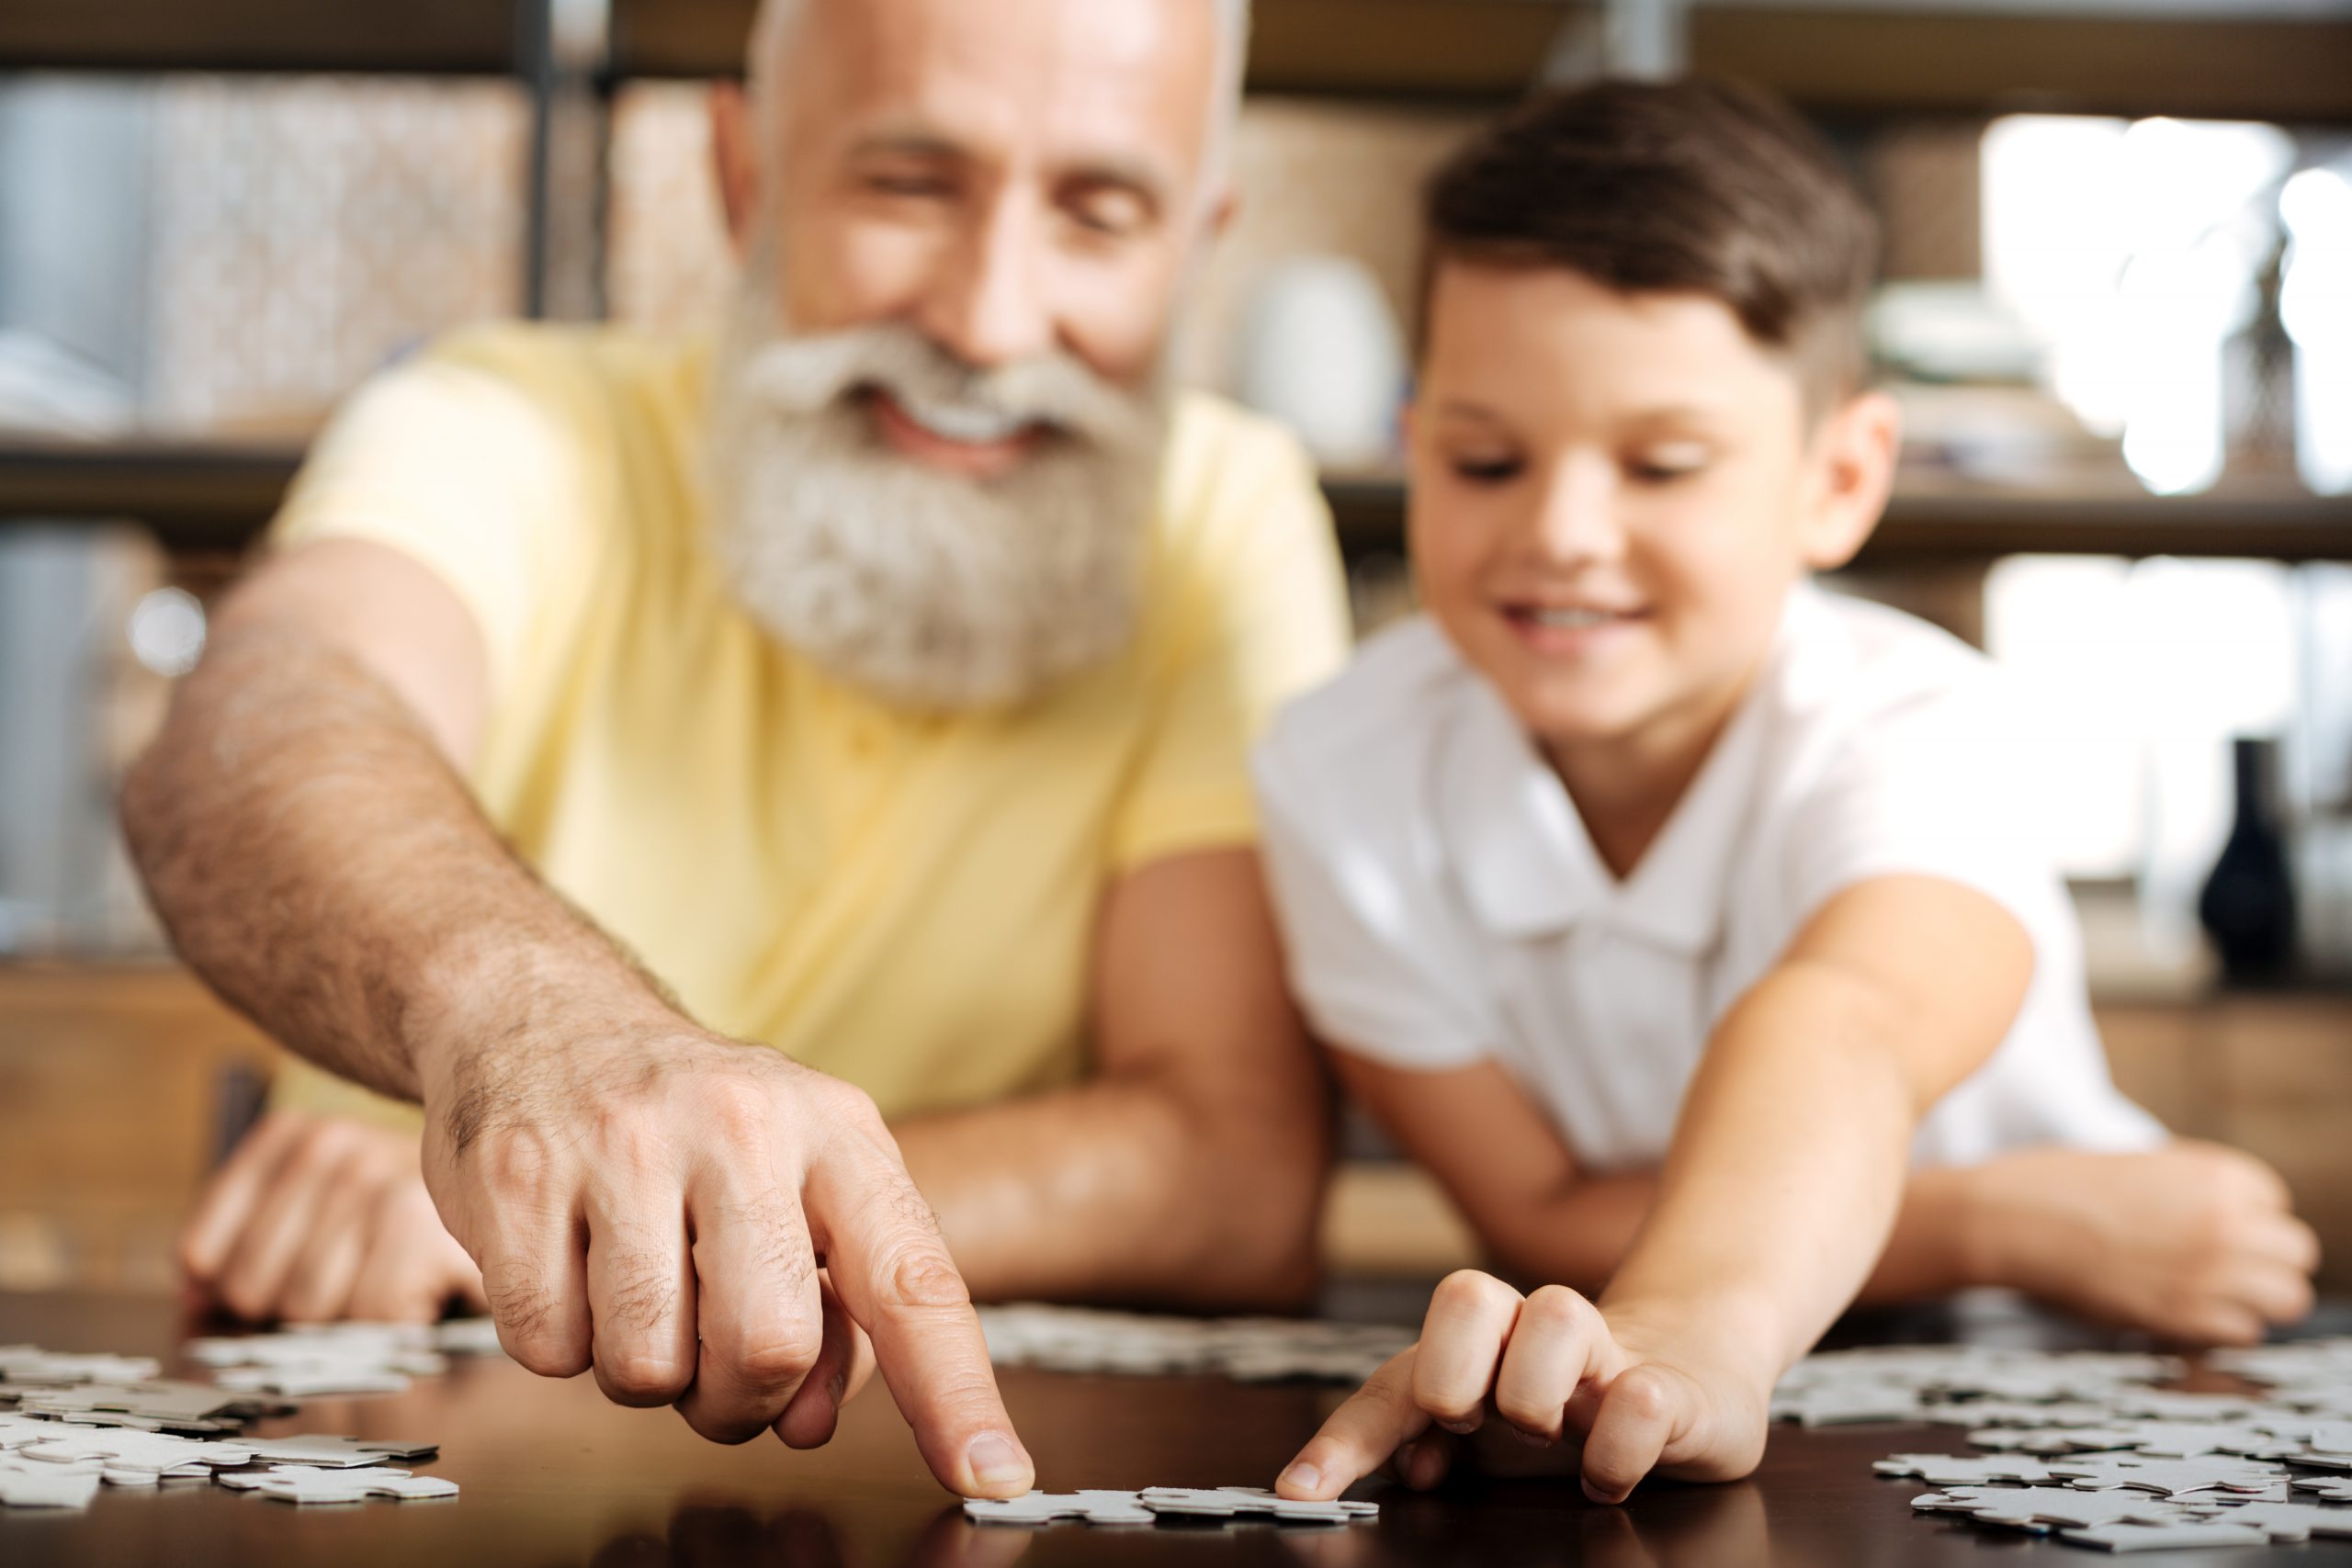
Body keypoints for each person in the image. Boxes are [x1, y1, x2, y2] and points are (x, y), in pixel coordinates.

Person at [121, 0, 1351, 1499]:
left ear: (1199, 237)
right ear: (743, 166)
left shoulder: (1229, 513)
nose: (990, 319)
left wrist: (657, 1210)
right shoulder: (500, 419)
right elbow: (259, 712)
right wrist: (537, 1038)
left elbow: (1227, 1169)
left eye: (1101, 214)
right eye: (909, 185)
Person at [1254, 79, 2319, 1507]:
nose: (1562, 534)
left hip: (2079, 1372)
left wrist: (1696, 1320)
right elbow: (1532, 1214)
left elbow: (1846, 1023)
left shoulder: (1919, 721)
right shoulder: (1335, 770)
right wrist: (2010, 1219)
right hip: (1698, 1370)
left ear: (1840, 477)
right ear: (1410, 436)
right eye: (1484, 460)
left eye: (1664, 465)